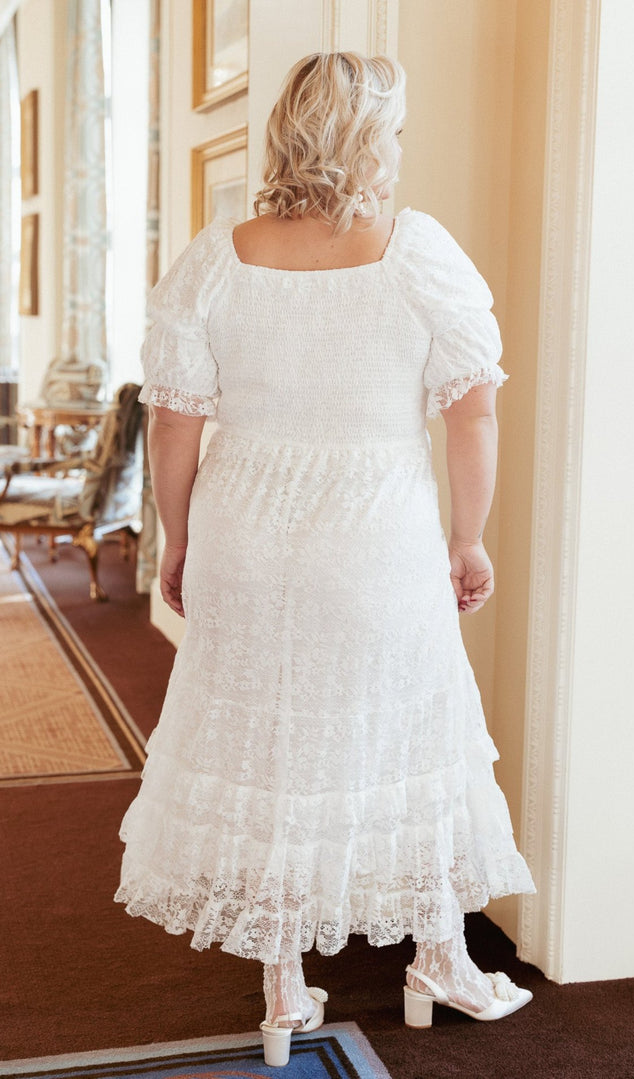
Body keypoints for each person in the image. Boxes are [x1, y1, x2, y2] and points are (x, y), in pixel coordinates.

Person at [114, 51, 535, 1068]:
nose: (398, 149)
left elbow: (173, 423)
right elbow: (472, 407)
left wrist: (177, 536)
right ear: (360, 138)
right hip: (374, 534)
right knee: (414, 732)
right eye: (392, 130)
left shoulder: (216, 255)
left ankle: (281, 987)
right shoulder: (414, 250)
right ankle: (439, 956)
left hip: (247, 533)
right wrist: (468, 536)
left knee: (271, 749)